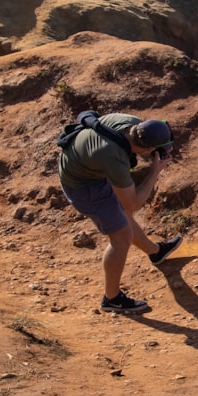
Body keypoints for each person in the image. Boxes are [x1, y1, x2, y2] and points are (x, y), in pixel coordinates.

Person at [58, 114, 183, 313]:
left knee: (121, 215)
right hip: (82, 184)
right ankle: (112, 299)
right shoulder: (114, 157)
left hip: (85, 163)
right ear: (148, 149)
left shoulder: (130, 123)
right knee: (121, 236)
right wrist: (155, 171)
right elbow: (133, 204)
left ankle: (155, 252)